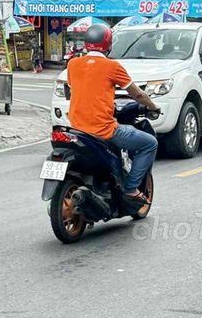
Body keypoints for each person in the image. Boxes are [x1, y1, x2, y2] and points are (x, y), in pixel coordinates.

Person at [66, 24, 161, 202]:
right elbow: (137, 94)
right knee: (150, 143)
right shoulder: (112, 66)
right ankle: (131, 189)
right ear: (108, 45)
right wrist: (153, 107)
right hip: (103, 130)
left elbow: (79, 87)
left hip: (76, 129)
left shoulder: (73, 64)